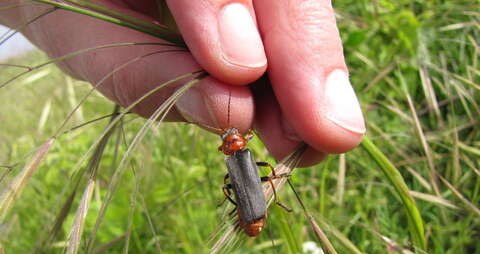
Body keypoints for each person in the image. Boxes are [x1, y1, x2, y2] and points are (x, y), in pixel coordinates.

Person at [1, 0, 365, 167]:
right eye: (231, 139)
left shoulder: (238, 152)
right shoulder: (242, 151)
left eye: (230, 139)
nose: (230, 139)